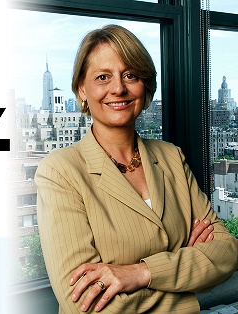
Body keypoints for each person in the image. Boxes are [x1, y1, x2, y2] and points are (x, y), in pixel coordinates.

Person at [34, 24, 238, 313]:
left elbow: (227, 252)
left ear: (145, 86)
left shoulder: (170, 157)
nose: (118, 88)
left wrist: (140, 273)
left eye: (130, 75)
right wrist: (184, 273)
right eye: (103, 77)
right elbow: (86, 304)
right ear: (82, 88)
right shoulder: (61, 172)